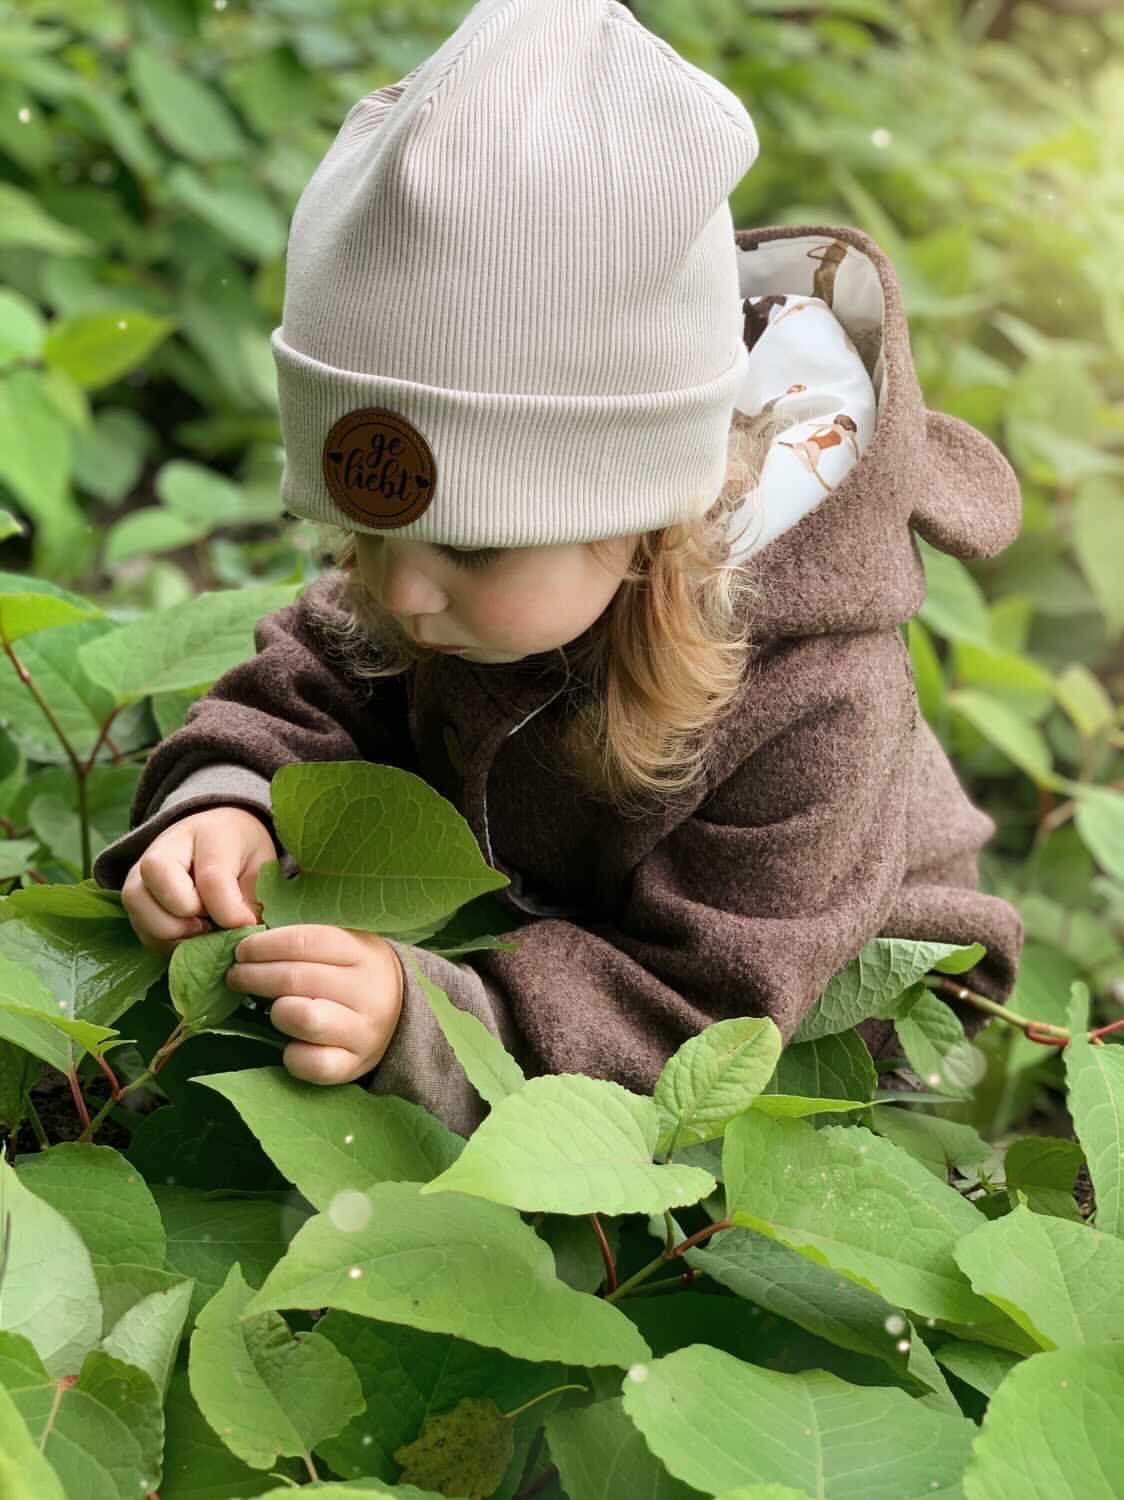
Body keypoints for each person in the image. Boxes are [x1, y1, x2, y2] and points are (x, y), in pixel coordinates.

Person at [94, 0, 1024, 1138]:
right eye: (365, 535)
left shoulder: (812, 701)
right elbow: (314, 676)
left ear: (647, 514)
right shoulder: (463, 588)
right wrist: (227, 799)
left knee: (783, 1126)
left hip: (810, 994)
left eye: (473, 545)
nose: (400, 592)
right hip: (548, 900)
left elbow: (714, 1002)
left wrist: (438, 1023)